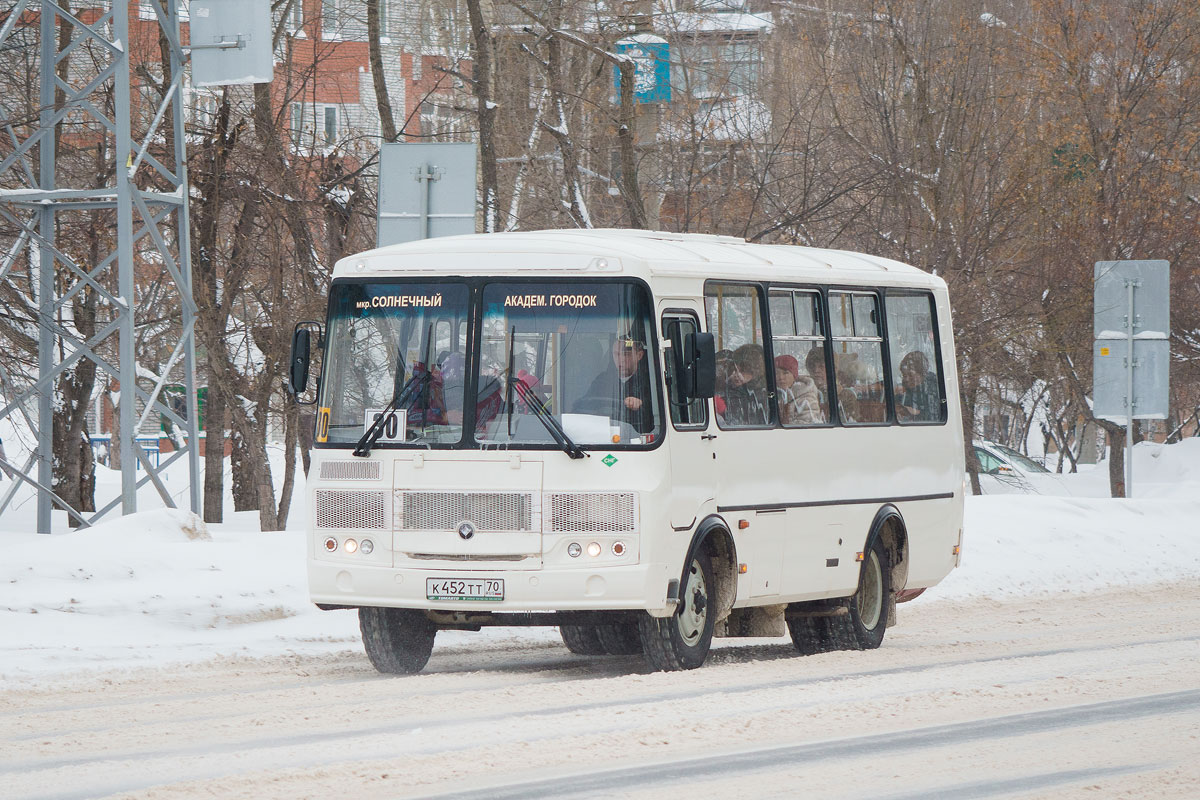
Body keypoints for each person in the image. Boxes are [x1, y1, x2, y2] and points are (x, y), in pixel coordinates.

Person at [577, 334, 655, 433]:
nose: (621, 359)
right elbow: (583, 406)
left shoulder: (650, 381)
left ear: (639, 355)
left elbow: (658, 420)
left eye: (626, 354)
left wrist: (641, 406)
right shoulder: (601, 381)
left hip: (638, 441)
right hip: (604, 437)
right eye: (616, 354)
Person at [724, 343, 769, 426]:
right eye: (734, 369)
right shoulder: (726, 388)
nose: (737, 375)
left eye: (743, 371)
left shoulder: (764, 393)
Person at [774, 354, 823, 425]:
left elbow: (807, 424)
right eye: (776, 373)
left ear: (794, 376)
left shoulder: (807, 398)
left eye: (785, 373)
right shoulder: (773, 394)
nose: (780, 377)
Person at [895, 350, 940, 421]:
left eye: (910, 375)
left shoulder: (933, 391)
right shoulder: (904, 392)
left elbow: (931, 417)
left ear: (922, 374)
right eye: (904, 375)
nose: (906, 379)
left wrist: (912, 411)